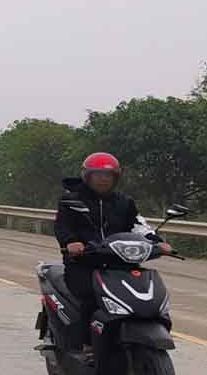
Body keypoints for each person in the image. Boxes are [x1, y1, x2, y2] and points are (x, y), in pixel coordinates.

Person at [52, 153, 172, 356]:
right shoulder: (71, 200)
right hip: (84, 262)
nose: (103, 179)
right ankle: (86, 344)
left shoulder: (124, 202)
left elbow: (138, 226)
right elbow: (62, 226)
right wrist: (71, 242)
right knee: (90, 296)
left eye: (108, 175)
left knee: (143, 295)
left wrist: (157, 242)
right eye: (97, 174)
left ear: (115, 177)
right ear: (87, 176)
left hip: (120, 262)